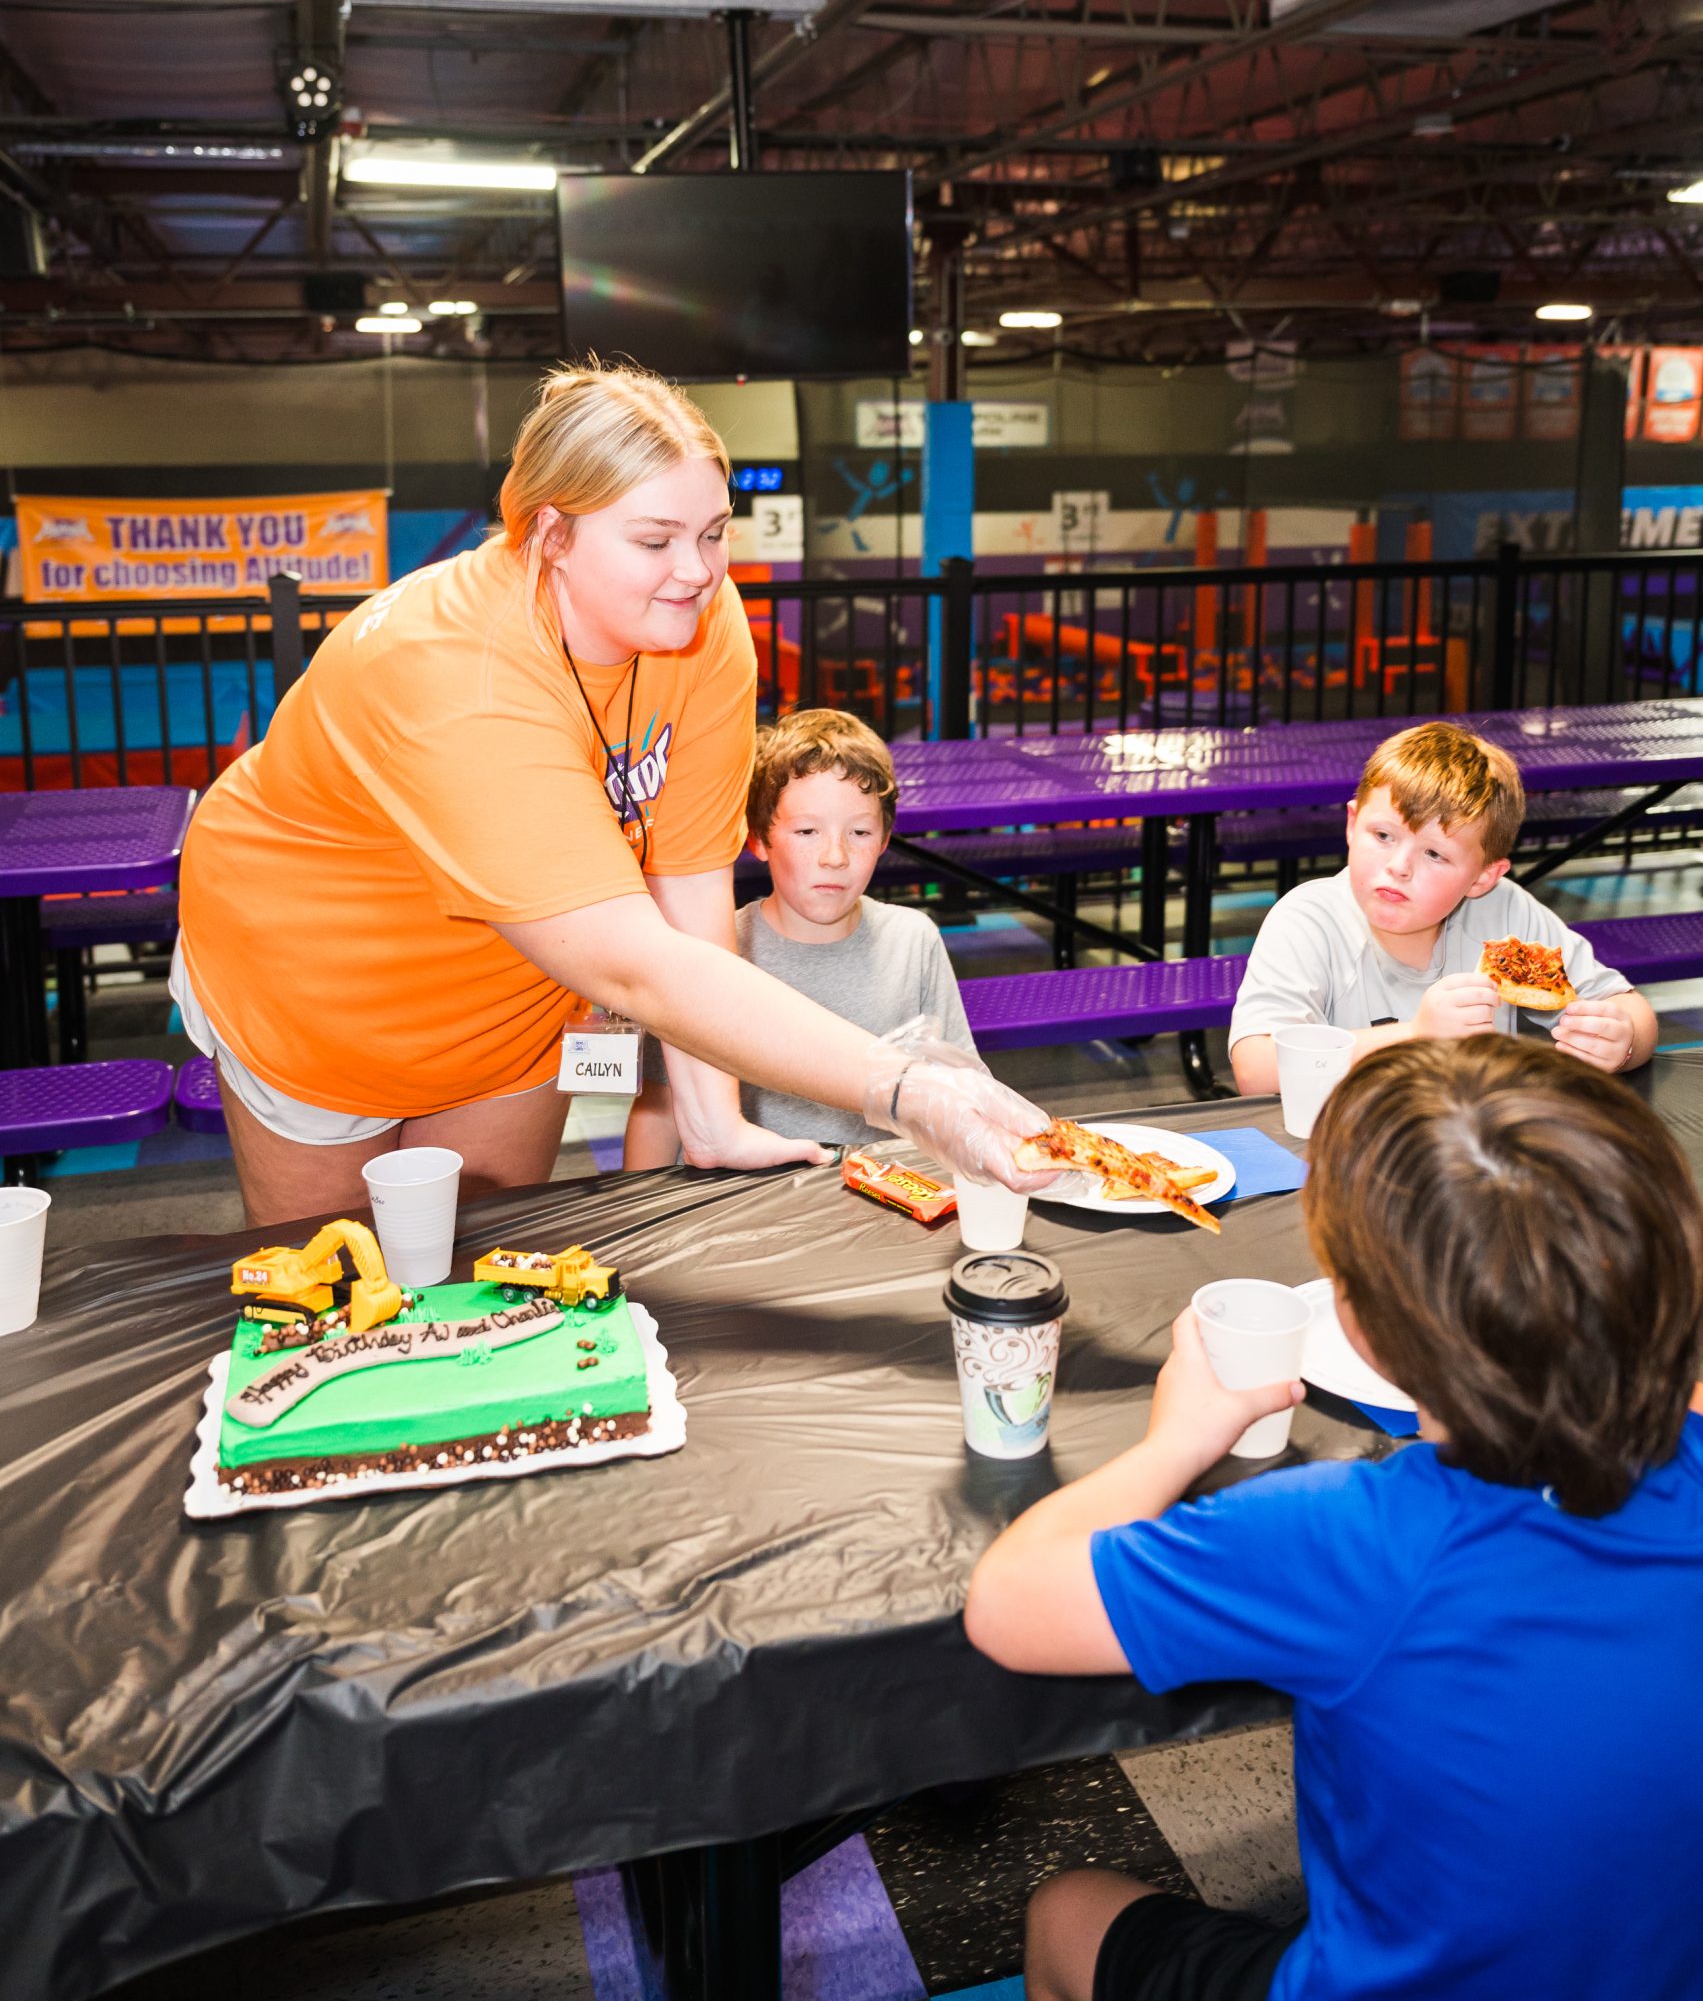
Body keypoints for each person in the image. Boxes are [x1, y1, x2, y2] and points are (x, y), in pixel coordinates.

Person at [172, 363, 1047, 1225]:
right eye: (654, 540)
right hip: (318, 982)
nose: (696, 570)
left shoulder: (700, 626)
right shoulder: (456, 671)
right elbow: (634, 964)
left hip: (511, 989)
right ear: (552, 532)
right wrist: (906, 1088)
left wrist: (710, 1113)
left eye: (714, 532)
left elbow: (690, 880)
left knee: (485, 1260)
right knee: (333, 1279)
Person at [965, 1034, 1703, 2001]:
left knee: (1066, 1911)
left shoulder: (1350, 1536)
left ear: (1350, 1317)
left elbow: (1006, 1606)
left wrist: (1176, 1440)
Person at [624, 708, 979, 1167]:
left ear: (885, 839)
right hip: (750, 1197)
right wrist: (635, 1207)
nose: (835, 856)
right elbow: (661, 1106)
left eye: (860, 832)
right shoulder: (712, 950)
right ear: (758, 838)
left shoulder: (914, 940)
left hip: (885, 1191)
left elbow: (960, 1087)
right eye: (808, 831)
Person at [1229, 718, 1654, 1096]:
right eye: (1383, 836)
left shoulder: (1503, 912)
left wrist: (1622, 1042)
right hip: (1350, 1143)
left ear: (1482, 877)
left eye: (1434, 854)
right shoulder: (1309, 921)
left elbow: (1630, 1008)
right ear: (1353, 824)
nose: (1399, 866)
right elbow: (1255, 1069)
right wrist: (1417, 1033)